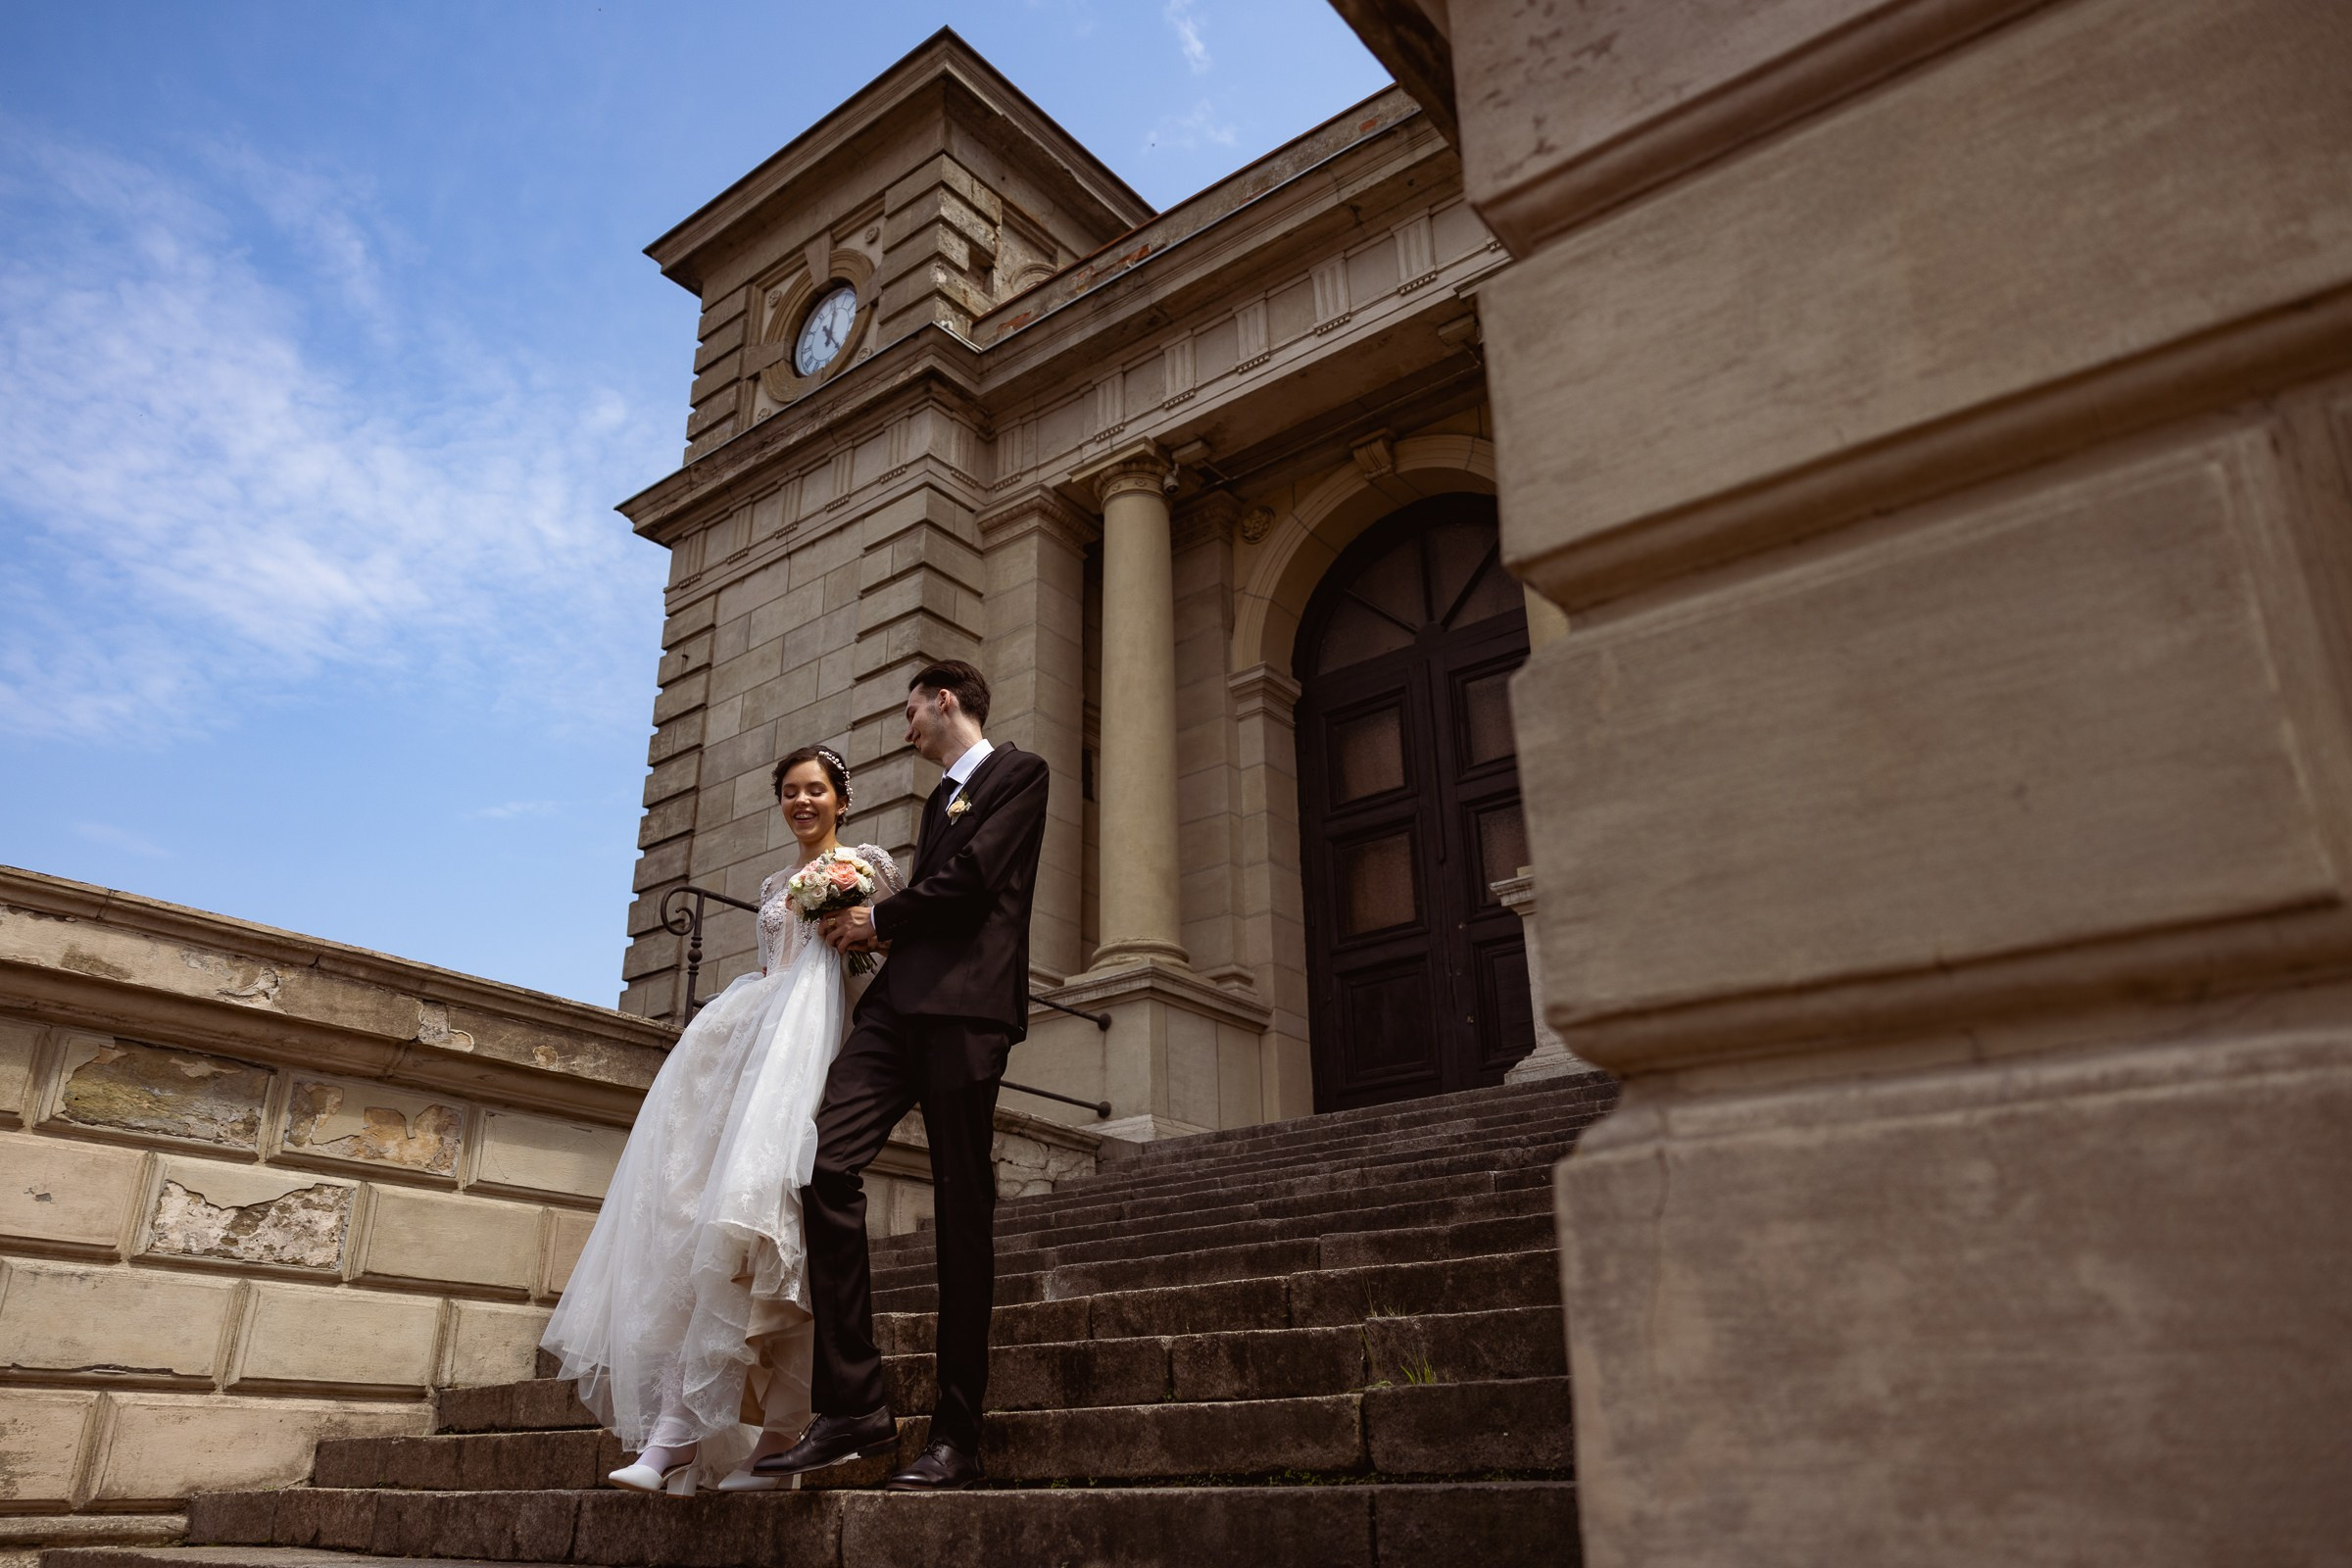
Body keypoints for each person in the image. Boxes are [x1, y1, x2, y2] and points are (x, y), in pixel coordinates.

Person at [538, 745, 906, 1495]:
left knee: (774, 1227)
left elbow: (886, 951)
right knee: (710, 1223)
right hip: (752, 1039)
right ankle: (683, 1429)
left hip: (812, 1044)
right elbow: (777, 964)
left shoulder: (867, 864)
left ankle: (773, 1438)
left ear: (843, 798)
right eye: (790, 792)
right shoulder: (773, 883)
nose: (802, 802)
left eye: (816, 790)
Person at [754, 659, 1051, 1492]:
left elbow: (975, 879)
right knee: (823, 1162)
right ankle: (854, 1403)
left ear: (943, 699)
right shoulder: (935, 798)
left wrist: (878, 918)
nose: (905, 724)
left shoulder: (1020, 772)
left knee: (962, 1216)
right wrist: (879, 933)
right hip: (899, 1004)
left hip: (966, 1013)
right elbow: (937, 894)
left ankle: (958, 1435)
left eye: (910, 709)